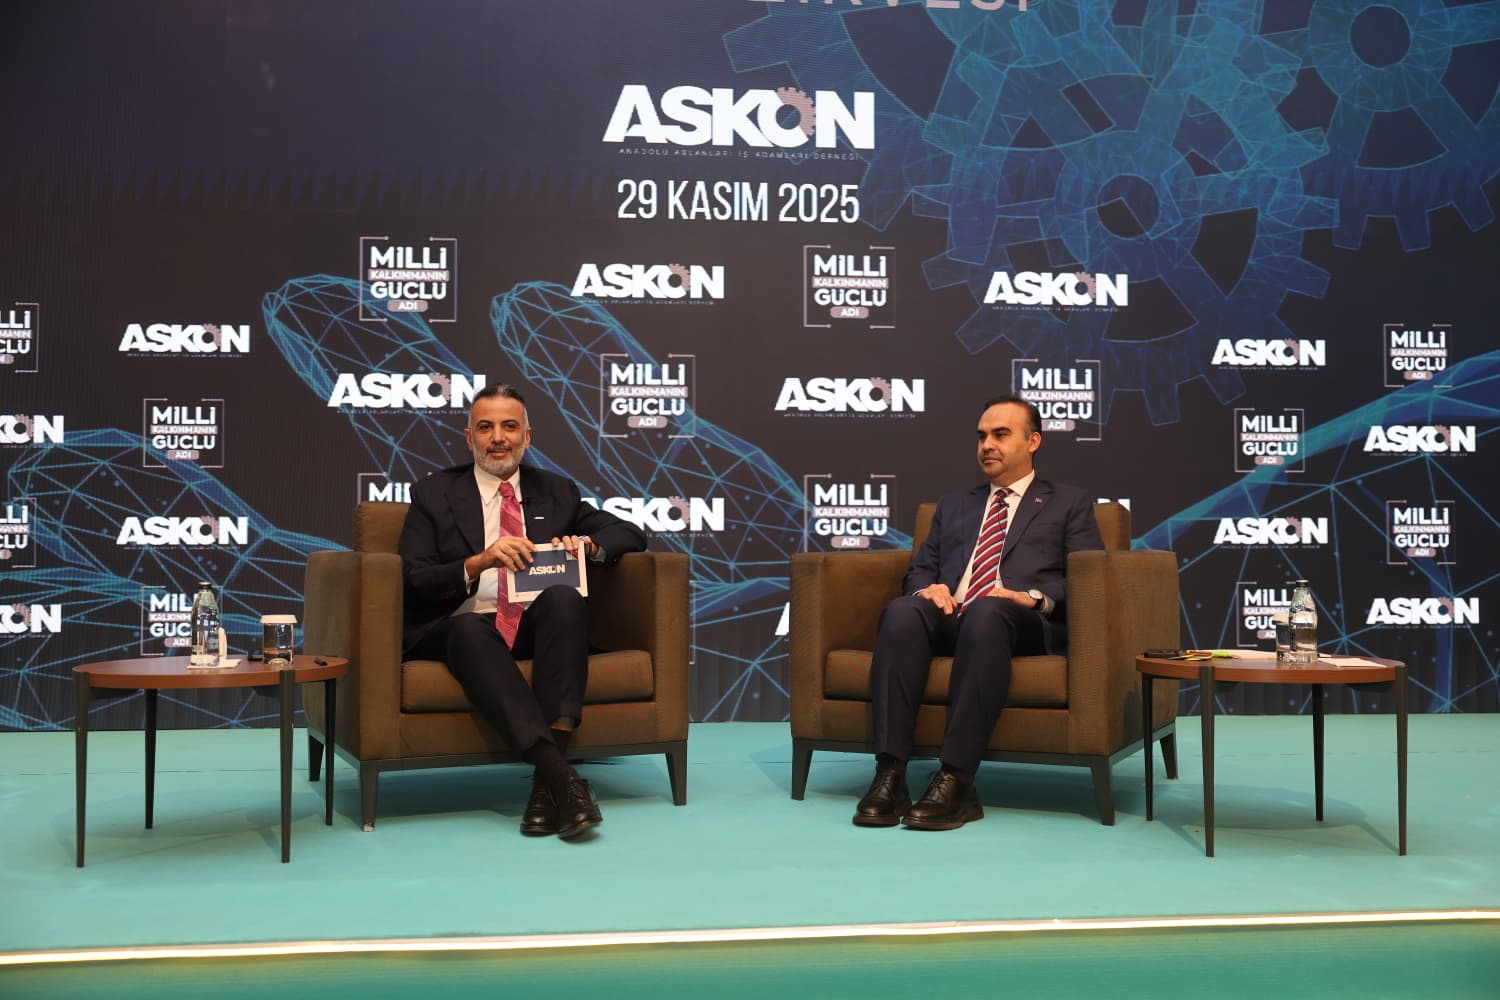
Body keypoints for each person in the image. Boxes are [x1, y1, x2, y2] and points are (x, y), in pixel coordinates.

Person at [398, 384, 647, 839]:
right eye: (485, 427)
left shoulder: (556, 491)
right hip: (460, 628)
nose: (498, 438)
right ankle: (561, 777)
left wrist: (590, 546)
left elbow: (630, 533)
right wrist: (478, 562)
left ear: (527, 437)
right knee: (469, 628)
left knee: (564, 598)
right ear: (469, 438)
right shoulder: (433, 493)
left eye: (509, 426)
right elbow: (413, 578)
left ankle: (548, 785)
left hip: (532, 626)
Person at [855, 394, 1104, 830]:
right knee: (901, 612)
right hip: (954, 613)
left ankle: (957, 778)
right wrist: (928, 589)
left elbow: (1089, 576)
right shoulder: (955, 505)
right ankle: (890, 773)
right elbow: (920, 569)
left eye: (1000, 434)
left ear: (1033, 442)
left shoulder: (1068, 502)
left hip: (1020, 621)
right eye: (982, 436)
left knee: (988, 611)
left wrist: (1034, 597)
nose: (987, 444)